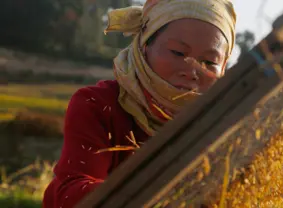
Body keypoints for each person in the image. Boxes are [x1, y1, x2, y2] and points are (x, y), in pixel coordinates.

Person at [42, 0, 237, 207]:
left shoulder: (223, 125)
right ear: (145, 45)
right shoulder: (98, 105)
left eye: (209, 62)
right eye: (178, 53)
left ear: (224, 67)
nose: (192, 71)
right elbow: (73, 193)